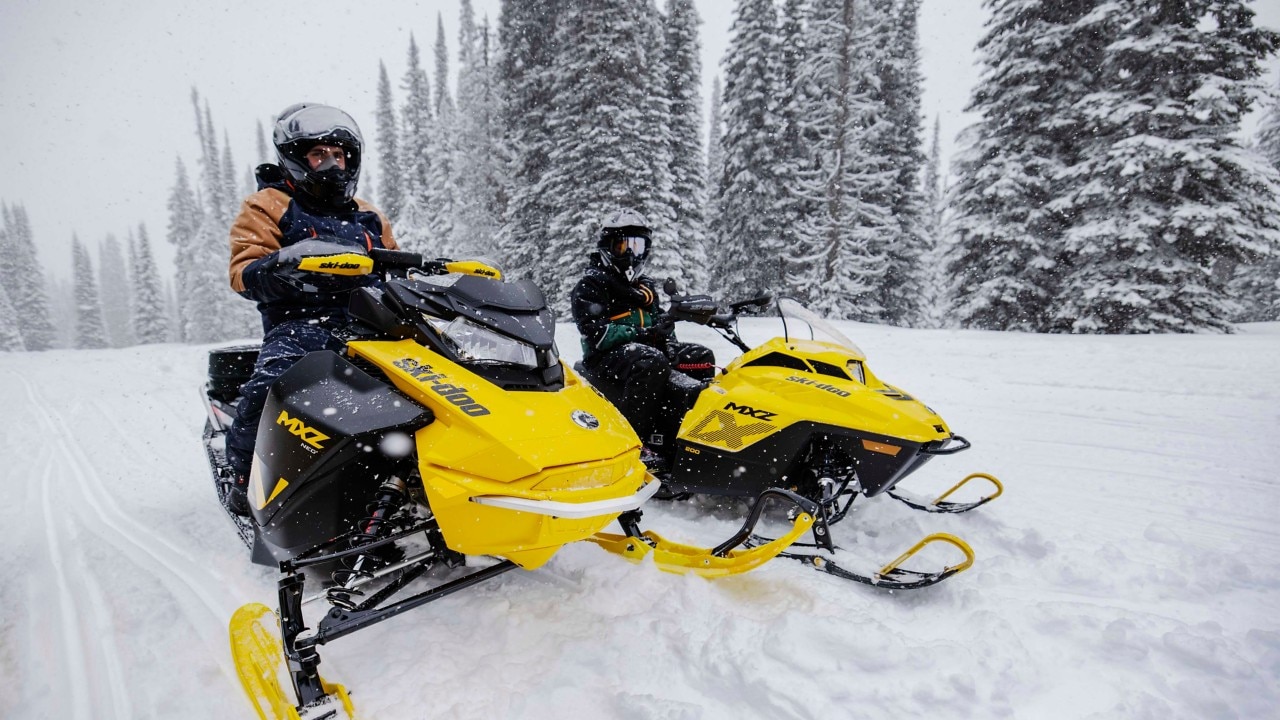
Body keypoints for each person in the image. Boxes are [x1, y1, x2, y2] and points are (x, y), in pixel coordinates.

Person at [222, 102, 399, 515]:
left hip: (372, 322)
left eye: (339, 155)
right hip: (301, 322)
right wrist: (285, 264)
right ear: (297, 159)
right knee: (271, 387)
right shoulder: (269, 203)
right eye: (320, 155)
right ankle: (246, 476)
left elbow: (394, 263)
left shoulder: (369, 215)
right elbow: (243, 271)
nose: (332, 165)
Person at [570, 208, 714, 471]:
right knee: (651, 361)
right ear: (608, 246)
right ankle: (633, 442)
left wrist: (668, 339)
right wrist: (642, 334)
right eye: (623, 245)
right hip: (604, 358)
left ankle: (697, 436)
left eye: (638, 246)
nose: (631, 253)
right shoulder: (591, 285)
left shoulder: (644, 287)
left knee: (701, 356)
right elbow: (597, 334)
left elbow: (660, 321)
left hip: (643, 352)